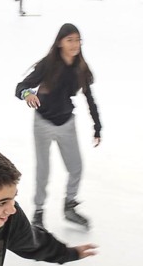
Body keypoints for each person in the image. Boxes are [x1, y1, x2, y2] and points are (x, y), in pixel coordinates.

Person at [14, 23, 101, 229]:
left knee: (76, 167)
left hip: (66, 124)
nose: (74, 44)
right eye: (69, 40)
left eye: (77, 40)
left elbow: (90, 98)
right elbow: (21, 87)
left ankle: (69, 206)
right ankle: (38, 211)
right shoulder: (48, 64)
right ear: (60, 42)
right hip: (43, 123)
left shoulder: (81, 68)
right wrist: (28, 94)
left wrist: (97, 126)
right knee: (43, 170)